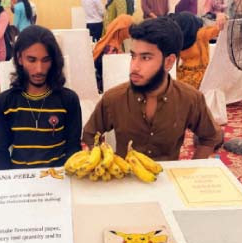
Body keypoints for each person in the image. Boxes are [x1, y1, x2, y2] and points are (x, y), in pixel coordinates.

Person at [83, 17, 223, 160]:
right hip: (125, 177)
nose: (134, 67)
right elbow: (90, 134)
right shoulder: (113, 98)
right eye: (133, 56)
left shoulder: (190, 98)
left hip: (168, 178)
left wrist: (191, 171)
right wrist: (104, 164)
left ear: (168, 62)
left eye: (146, 58)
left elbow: (210, 136)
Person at [0, 26, 82, 170]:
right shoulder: (4, 102)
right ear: (19, 59)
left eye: (45, 60)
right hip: (20, 181)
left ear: (53, 61)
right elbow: (0, 153)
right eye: (32, 60)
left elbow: (73, 149)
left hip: (58, 179)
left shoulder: (68, 100)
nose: (39, 69)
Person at [171, 11, 224, 88]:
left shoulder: (197, 35)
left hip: (191, 76)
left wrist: (222, 17)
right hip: (192, 76)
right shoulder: (193, 36)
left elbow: (217, 29)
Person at [93, 13, 134, 92]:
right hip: (106, 87)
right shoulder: (111, 48)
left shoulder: (113, 43)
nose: (131, 31)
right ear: (121, 29)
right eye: (129, 28)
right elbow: (113, 74)